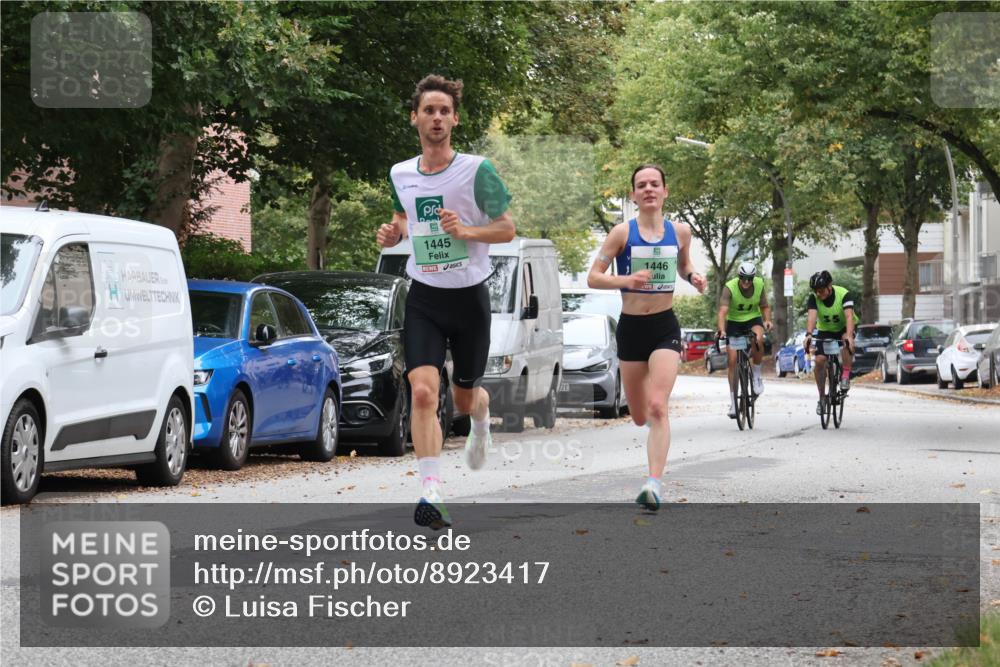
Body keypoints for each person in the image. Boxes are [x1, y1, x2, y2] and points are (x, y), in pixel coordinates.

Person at [377, 74, 515, 529]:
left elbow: (507, 228)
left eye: (444, 111)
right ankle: (431, 491)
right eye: (428, 110)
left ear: (454, 119)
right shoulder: (401, 173)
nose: (436, 118)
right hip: (424, 297)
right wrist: (393, 231)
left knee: (462, 397)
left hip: (469, 297)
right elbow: (402, 217)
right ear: (414, 117)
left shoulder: (478, 170)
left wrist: (467, 231)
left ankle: (481, 415)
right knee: (421, 390)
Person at [587, 164, 707, 511]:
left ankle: (653, 484)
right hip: (631, 329)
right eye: (642, 185)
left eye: (655, 184)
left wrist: (695, 276)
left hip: (664, 327)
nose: (649, 189)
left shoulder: (681, 231)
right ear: (634, 195)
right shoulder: (621, 233)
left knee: (658, 406)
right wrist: (625, 280)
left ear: (665, 192)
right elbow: (594, 277)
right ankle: (650, 460)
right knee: (639, 414)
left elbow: (684, 266)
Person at [716, 261, 773, 418]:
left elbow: (765, 306)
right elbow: (722, 312)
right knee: (733, 360)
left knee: (758, 339)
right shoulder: (730, 287)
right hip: (734, 322)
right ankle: (734, 402)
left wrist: (767, 320)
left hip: (753, 319)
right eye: (744, 278)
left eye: (750, 278)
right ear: (739, 276)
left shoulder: (759, 284)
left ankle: (756, 374)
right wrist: (721, 330)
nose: (747, 282)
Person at [804, 270, 857, 415]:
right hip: (825, 330)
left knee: (846, 341)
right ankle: (822, 397)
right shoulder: (814, 298)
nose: (819, 294)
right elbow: (812, 317)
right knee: (820, 360)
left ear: (830, 286)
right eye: (816, 291)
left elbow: (849, 317)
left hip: (843, 328)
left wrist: (850, 336)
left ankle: (845, 375)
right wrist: (809, 334)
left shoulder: (844, 294)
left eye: (821, 291)